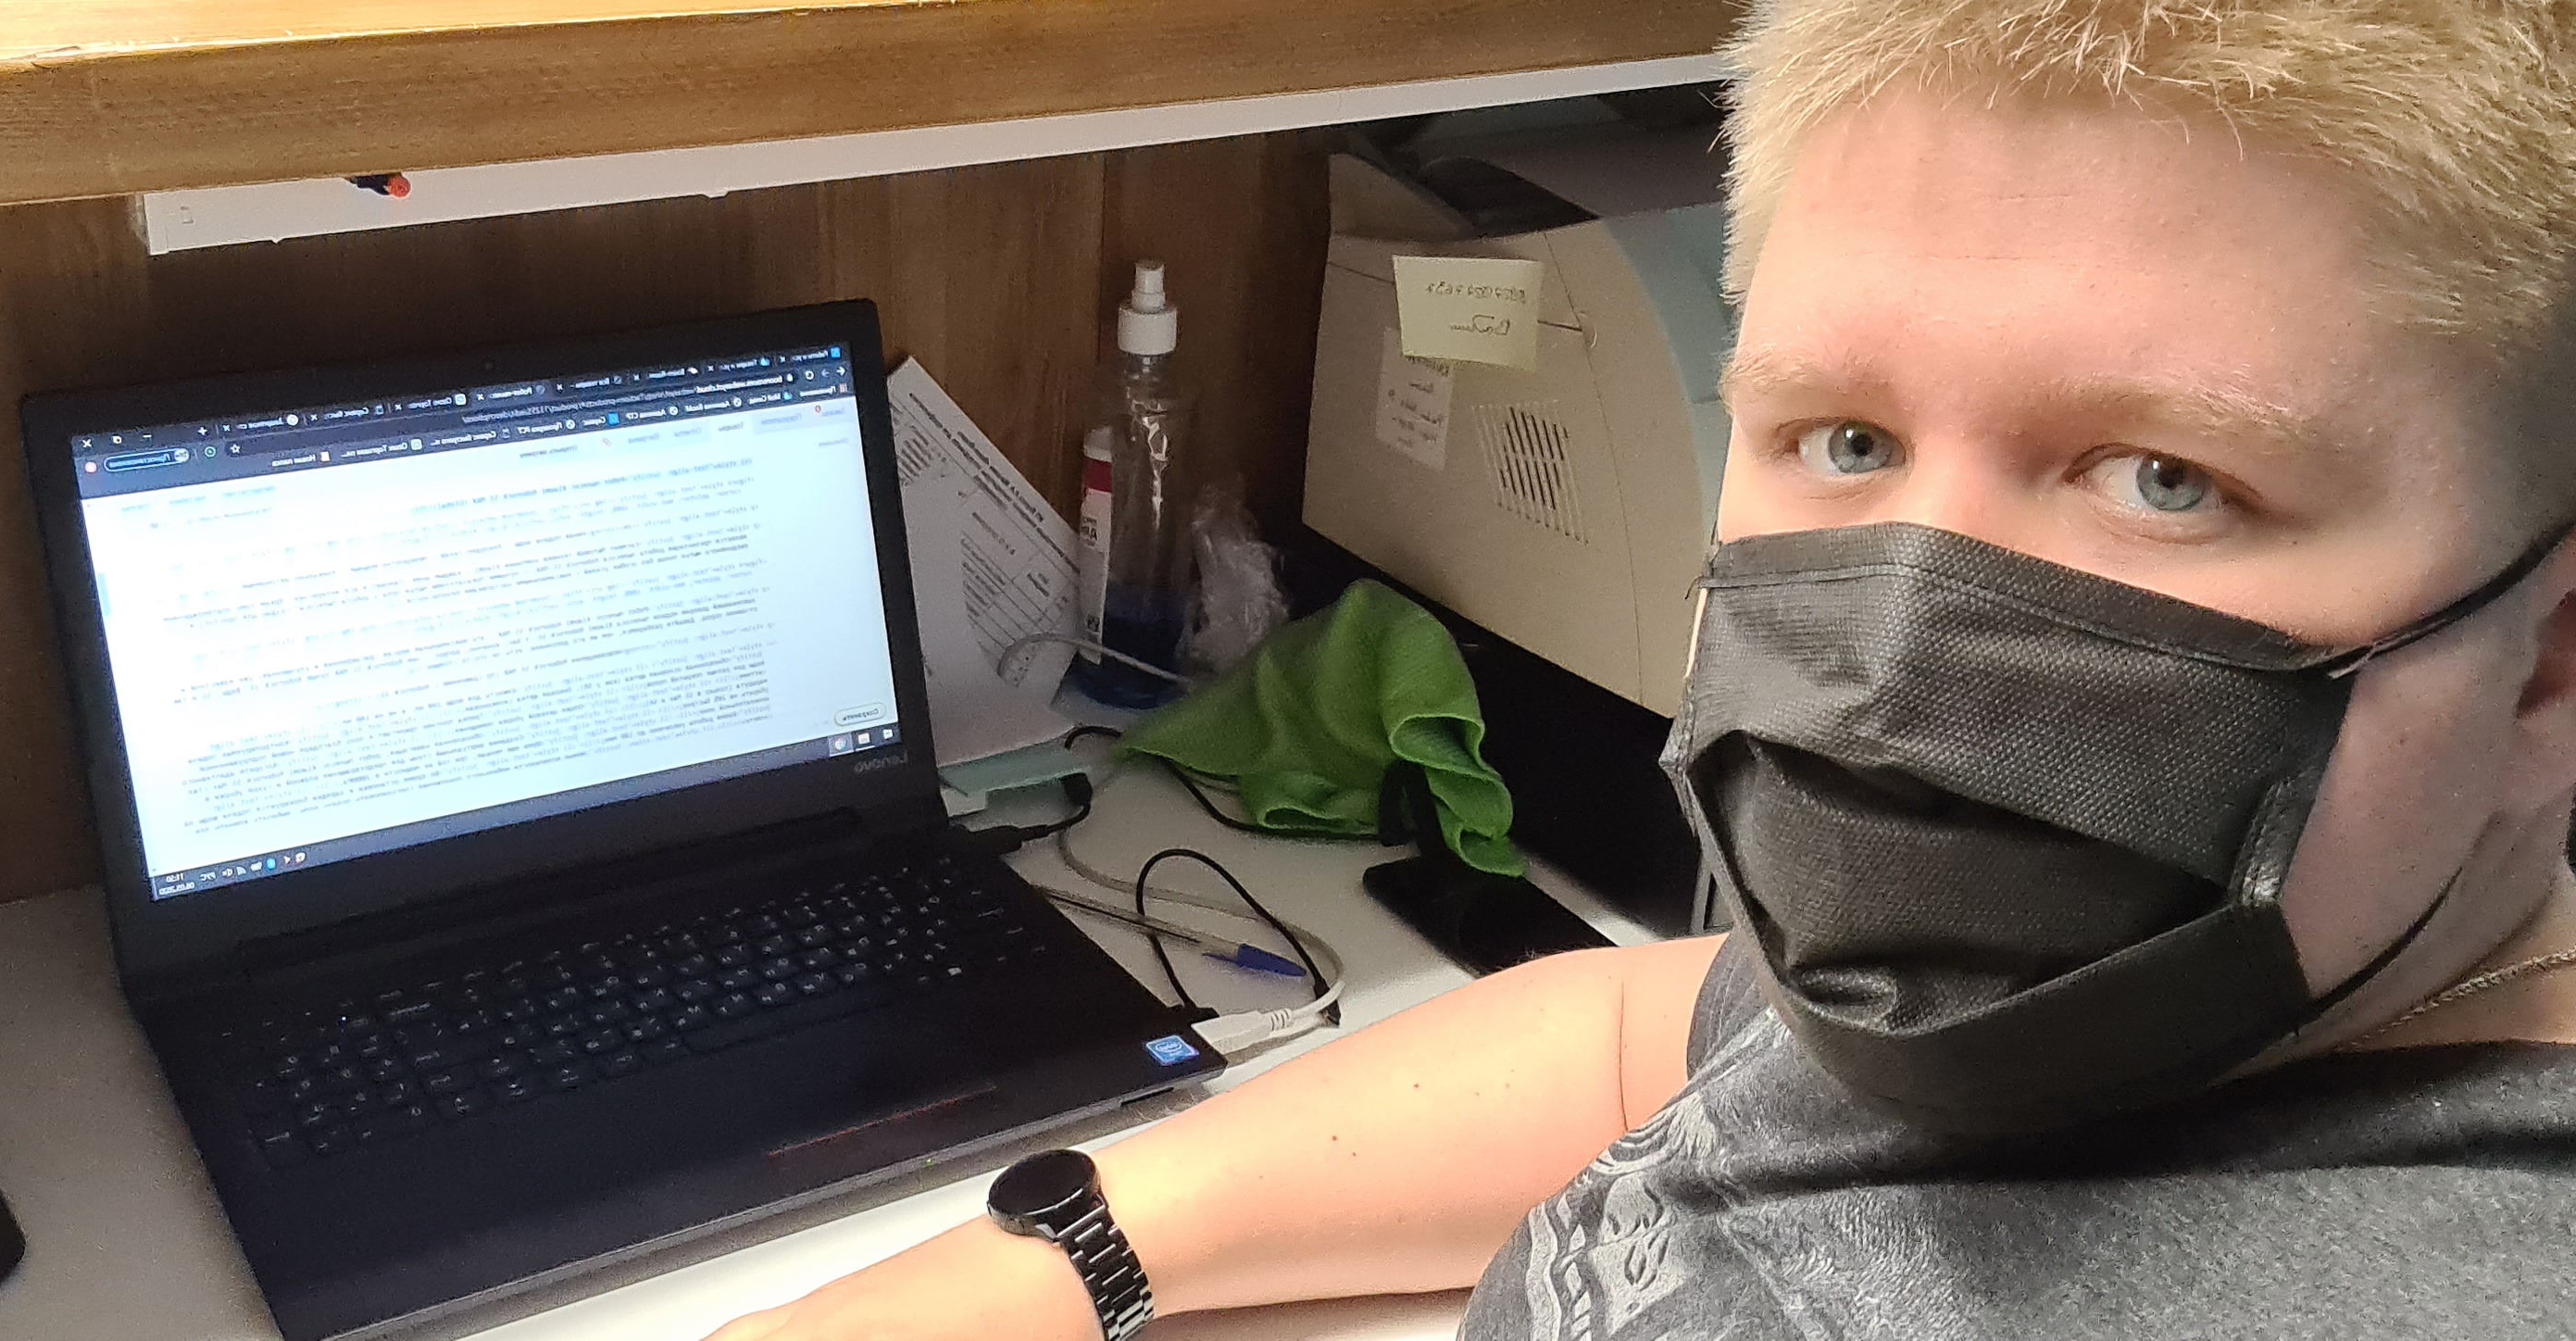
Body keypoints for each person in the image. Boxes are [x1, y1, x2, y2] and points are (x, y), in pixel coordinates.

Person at [709, 2, 2576, 1335]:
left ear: (2549, 665)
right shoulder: (2102, 1001)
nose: (1898, 653)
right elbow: (1650, 1031)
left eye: (2165, 479)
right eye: (1844, 438)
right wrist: (1060, 1256)